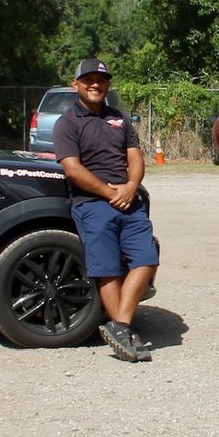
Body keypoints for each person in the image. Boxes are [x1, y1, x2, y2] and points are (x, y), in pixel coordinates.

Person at [53, 57, 158, 363]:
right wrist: (108, 191)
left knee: (147, 259)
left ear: (108, 84)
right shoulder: (67, 123)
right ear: (76, 85)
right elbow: (72, 170)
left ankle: (120, 327)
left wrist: (130, 186)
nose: (95, 84)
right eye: (88, 80)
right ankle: (125, 335)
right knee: (108, 268)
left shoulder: (120, 119)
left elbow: (135, 157)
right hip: (92, 203)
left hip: (128, 200)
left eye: (101, 80)